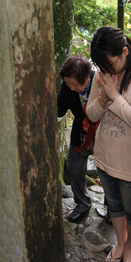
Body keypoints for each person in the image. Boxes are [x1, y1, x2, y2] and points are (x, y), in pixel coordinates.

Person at [86, 26, 131, 262]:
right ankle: (121, 243)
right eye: (101, 65)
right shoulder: (100, 74)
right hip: (104, 155)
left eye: (109, 63)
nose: (105, 69)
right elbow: (91, 115)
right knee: (114, 205)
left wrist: (115, 97)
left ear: (125, 52)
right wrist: (103, 100)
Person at [57, 55, 95, 222]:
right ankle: (82, 203)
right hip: (80, 133)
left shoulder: (100, 83)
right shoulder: (67, 87)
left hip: (103, 134)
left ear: (87, 78)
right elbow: (59, 110)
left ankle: (112, 208)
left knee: (107, 172)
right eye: (68, 84)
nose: (71, 88)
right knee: (74, 168)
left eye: (74, 84)